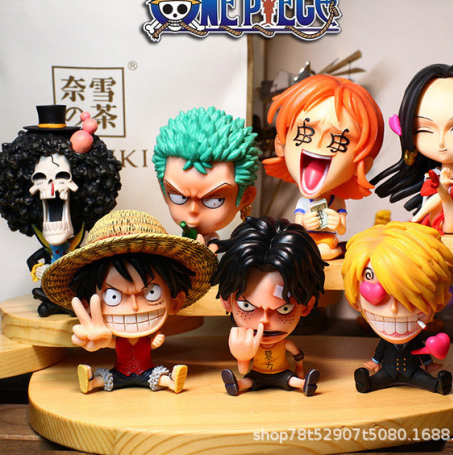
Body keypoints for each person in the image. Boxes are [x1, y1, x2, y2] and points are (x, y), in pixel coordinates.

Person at [42, 209, 217, 393]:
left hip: (145, 371)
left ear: (175, 302)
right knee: (109, 378)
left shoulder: (145, 337)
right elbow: (110, 343)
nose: (134, 306)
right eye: (114, 297)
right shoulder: (116, 338)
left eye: (151, 292)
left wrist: (154, 342)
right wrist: (101, 342)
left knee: (156, 377)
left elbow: (149, 344)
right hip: (120, 372)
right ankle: (92, 381)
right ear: (88, 306)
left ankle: (171, 381)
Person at [0, 105, 121, 316]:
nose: (52, 188)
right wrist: (38, 269)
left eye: (62, 177)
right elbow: (33, 262)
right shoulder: (44, 237)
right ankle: (54, 301)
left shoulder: (79, 243)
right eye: (41, 178)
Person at [263, 74, 384, 259]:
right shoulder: (303, 203)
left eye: (338, 141)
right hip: (305, 240)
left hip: (326, 240)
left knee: (323, 251)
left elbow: (342, 228)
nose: (319, 144)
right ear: (281, 145)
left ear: (361, 165)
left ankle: (337, 250)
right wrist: (306, 223)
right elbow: (297, 225)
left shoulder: (337, 202)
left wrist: (337, 223)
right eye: (305, 132)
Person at [372, 63, 453, 234]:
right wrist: (441, 185)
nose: (441, 143)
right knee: (441, 199)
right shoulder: (433, 175)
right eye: (423, 130)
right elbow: (426, 192)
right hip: (436, 218)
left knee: (451, 220)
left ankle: (417, 218)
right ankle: (417, 218)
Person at [213, 216, 326, 396]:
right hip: (257, 374)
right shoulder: (249, 343)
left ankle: (303, 384)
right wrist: (242, 357)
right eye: (247, 307)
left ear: (306, 306)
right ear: (227, 302)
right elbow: (243, 370)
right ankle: (238, 385)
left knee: (290, 379)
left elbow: (297, 355)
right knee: (249, 380)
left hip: (282, 373)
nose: (264, 321)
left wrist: (299, 368)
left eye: (284, 309)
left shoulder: (283, 342)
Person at [342, 221, 453, 395]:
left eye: (410, 294)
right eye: (370, 277)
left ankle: (438, 385)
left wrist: (428, 363)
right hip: (388, 371)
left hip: (413, 371)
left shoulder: (415, 340)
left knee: (425, 380)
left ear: (441, 301)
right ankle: (366, 383)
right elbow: (380, 351)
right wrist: (374, 362)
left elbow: (422, 350)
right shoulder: (386, 341)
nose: (394, 309)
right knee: (377, 380)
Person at [152, 107, 260, 250]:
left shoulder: (214, 240)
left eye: (214, 201)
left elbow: (212, 255)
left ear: (245, 198)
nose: (193, 211)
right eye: (178, 197)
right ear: (164, 192)